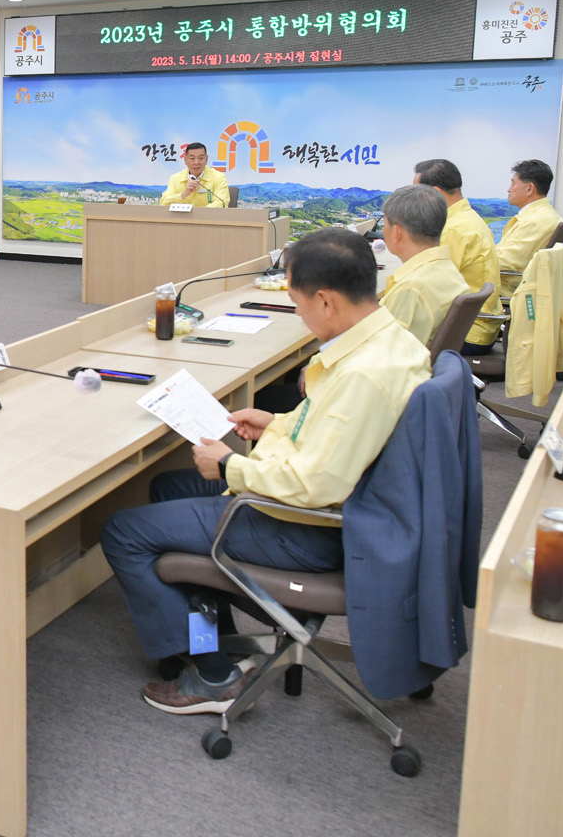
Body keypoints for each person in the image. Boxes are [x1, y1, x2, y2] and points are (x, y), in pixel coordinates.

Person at [100, 227, 430, 715]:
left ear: (326, 301)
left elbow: (315, 485)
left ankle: (211, 674)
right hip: (347, 504)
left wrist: (229, 465)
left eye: (298, 304)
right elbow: (336, 430)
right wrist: (276, 422)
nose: (297, 315)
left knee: (122, 532)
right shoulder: (388, 341)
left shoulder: (363, 375)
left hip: (308, 526)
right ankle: (218, 637)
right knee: (169, 486)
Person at [413, 159, 501, 354]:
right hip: (477, 324)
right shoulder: (467, 218)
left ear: (434, 193)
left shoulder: (453, 229)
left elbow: (430, 288)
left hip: (464, 333)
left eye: (416, 192)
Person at [378, 184, 470, 346]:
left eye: (385, 224)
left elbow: (385, 351)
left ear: (397, 232)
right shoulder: (446, 269)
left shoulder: (411, 289)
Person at [495, 159, 562, 297]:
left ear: (529, 188)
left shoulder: (536, 222)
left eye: (513, 183)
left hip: (502, 287)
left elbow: (506, 261)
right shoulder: (542, 215)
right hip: (505, 282)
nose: (509, 189)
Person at [158, 143, 230, 207]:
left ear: (206, 159)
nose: (196, 162)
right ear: (185, 160)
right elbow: (163, 203)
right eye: (192, 158)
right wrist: (184, 194)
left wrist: (199, 215)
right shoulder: (176, 178)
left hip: (207, 217)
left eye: (201, 158)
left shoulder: (218, 177)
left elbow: (221, 203)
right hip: (182, 218)